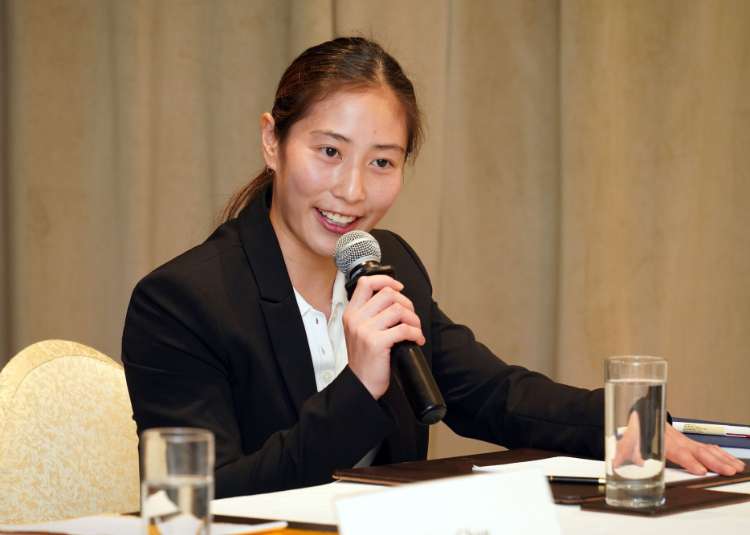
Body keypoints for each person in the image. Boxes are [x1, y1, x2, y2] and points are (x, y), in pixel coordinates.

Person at [122, 37, 744, 499]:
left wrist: (623, 423)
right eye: (330, 151)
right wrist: (357, 388)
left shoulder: (387, 265)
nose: (351, 190)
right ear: (272, 141)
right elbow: (205, 498)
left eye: (382, 162)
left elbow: (491, 395)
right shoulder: (182, 302)